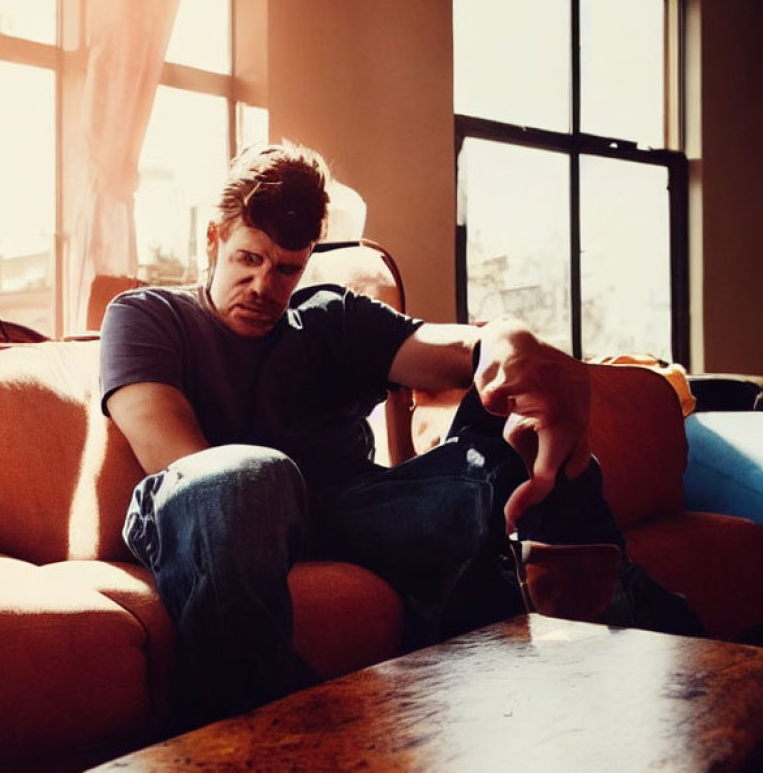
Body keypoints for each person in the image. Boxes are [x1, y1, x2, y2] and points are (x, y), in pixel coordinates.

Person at [100, 142, 699, 730]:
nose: (263, 286)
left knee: (506, 421)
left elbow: (461, 352)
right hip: (217, 511)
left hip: (351, 512)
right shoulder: (148, 315)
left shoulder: (330, 316)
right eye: (247, 259)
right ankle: (269, 724)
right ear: (214, 240)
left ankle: (624, 619)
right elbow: (177, 462)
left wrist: (510, 341)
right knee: (245, 477)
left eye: (286, 269)